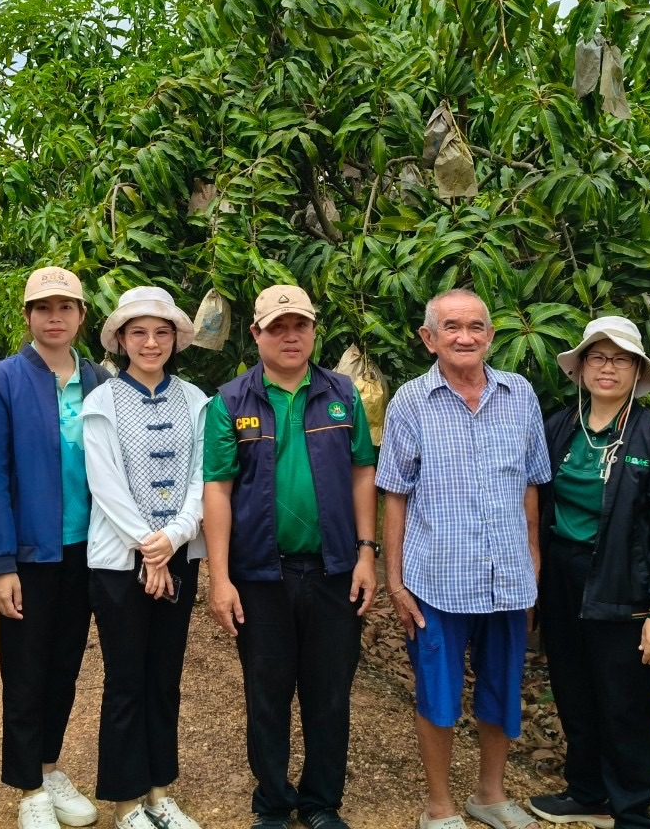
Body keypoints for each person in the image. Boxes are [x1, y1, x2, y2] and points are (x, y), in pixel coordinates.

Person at [202, 284, 378, 829]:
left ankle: (322, 803)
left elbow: (362, 473)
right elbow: (218, 489)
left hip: (333, 571)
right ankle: (273, 803)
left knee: (329, 694)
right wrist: (220, 578)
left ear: (313, 330)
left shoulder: (343, 394)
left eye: (299, 325)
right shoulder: (229, 401)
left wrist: (367, 554)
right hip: (261, 575)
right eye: (277, 327)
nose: (290, 336)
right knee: (267, 693)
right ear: (255, 334)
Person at [377, 289, 551, 829]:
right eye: (451, 327)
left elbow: (530, 486)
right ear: (429, 338)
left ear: (491, 335)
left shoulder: (519, 393)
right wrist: (397, 583)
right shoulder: (411, 400)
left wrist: (533, 563)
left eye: (476, 326)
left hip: (506, 579)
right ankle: (439, 807)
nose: (465, 337)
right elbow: (395, 494)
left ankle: (490, 796)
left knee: (501, 691)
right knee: (438, 695)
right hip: (437, 581)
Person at [528, 317, 650, 829]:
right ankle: (587, 792)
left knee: (624, 702)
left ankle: (631, 809)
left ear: (638, 371)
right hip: (563, 576)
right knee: (574, 690)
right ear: (579, 367)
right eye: (597, 357)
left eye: (621, 359)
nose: (607, 368)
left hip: (625, 583)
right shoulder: (558, 427)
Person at [0, 266, 110, 829]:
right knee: (25, 667)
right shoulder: (1, 380)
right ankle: (27, 784)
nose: (55, 317)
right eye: (43, 308)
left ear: (81, 316)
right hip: (31, 553)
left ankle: (50, 766)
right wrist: (1, 561)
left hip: (88, 550)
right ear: (28, 316)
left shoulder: (100, 381)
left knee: (65, 665)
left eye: (66, 307)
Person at [82, 286, 208, 829]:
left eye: (161, 332)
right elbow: (104, 482)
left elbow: (205, 476)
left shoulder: (197, 401)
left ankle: (159, 791)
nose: (150, 342)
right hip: (117, 561)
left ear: (176, 339)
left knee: (164, 676)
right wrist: (147, 544)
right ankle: (126, 801)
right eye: (139, 332)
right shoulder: (102, 402)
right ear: (121, 340)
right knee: (126, 677)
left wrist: (174, 537)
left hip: (178, 553)